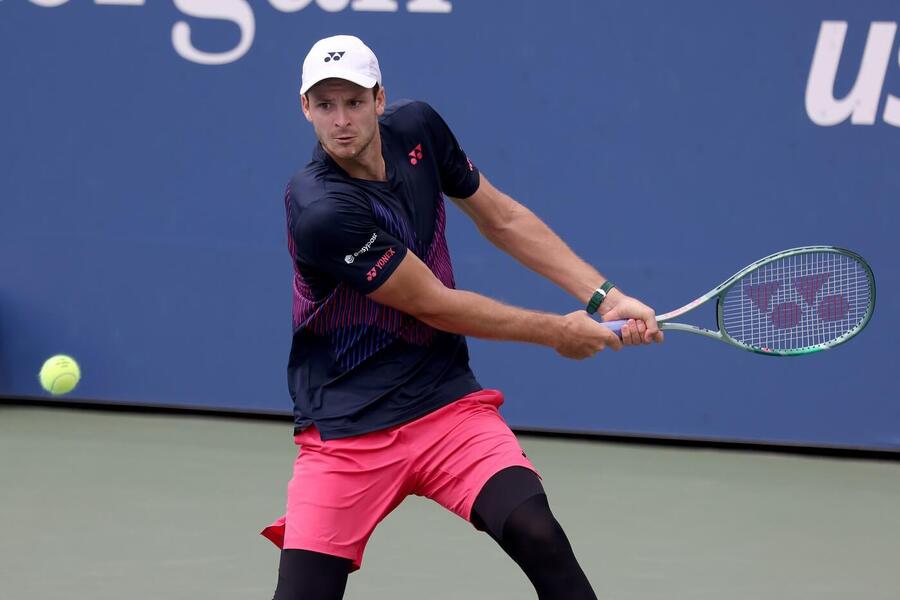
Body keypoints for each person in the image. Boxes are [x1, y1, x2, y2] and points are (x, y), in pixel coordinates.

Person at [261, 34, 663, 600]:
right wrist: (559, 331)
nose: (341, 120)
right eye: (324, 105)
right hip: (348, 431)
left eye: (353, 101)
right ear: (305, 109)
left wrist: (604, 297)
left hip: (443, 405)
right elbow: (433, 304)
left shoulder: (419, 128)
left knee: (537, 532)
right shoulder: (322, 209)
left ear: (380, 98)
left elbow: (500, 218)